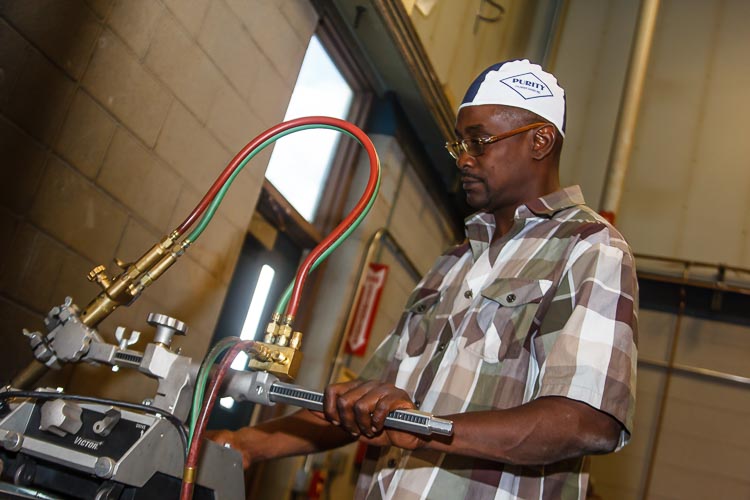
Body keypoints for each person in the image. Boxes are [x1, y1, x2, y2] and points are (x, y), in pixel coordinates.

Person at [208, 59, 638, 499]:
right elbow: (367, 406)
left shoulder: (589, 247)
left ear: (540, 141)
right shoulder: (454, 261)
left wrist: (428, 430)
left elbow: (588, 422)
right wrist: (245, 445)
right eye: (460, 145)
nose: (464, 159)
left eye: (478, 142)